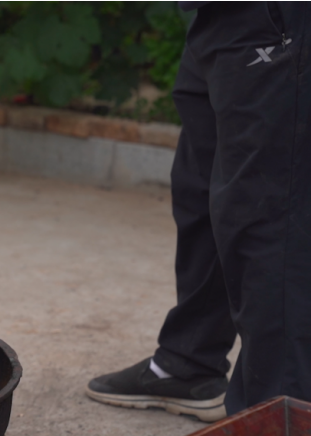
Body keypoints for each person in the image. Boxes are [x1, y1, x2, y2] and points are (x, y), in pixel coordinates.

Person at [85, 1, 311, 422]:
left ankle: (277, 420)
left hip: (278, 16)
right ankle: (189, 361)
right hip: (217, 15)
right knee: (200, 189)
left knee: (270, 214)